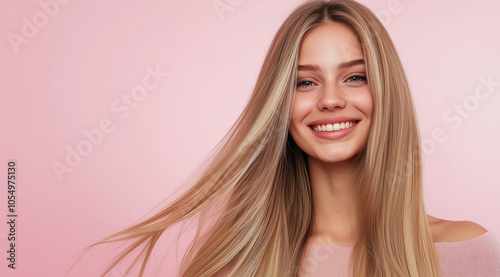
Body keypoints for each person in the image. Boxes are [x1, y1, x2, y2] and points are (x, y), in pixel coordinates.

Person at [90, 0, 500, 276]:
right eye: (305, 83)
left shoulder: (465, 252)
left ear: (385, 92)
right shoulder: (241, 263)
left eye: (355, 77)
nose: (331, 100)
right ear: (279, 106)